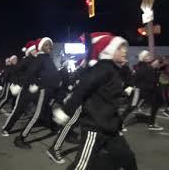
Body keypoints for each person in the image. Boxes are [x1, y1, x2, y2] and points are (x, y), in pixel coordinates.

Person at [53, 32, 137, 170]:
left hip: (112, 128)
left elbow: (108, 94)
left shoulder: (114, 69)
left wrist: (124, 91)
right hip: (95, 128)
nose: (124, 51)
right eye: (119, 48)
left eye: (124, 48)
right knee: (81, 165)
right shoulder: (102, 69)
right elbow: (81, 89)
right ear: (109, 50)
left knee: (127, 158)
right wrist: (66, 111)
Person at [14, 37, 60, 149]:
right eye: (47, 44)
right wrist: (19, 85)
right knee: (37, 115)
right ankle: (20, 138)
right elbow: (30, 72)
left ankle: (57, 129)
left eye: (50, 44)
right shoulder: (40, 58)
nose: (50, 46)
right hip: (44, 90)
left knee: (49, 111)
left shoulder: (47, 58)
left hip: (52, 90)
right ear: (41, 47)